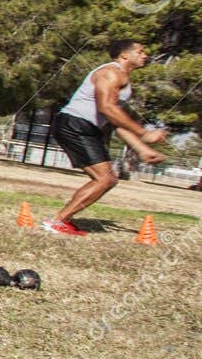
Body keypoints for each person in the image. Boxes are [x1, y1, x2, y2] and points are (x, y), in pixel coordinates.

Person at [44, 40, 167, 235]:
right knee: (106, 179)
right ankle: (57, 221)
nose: (145, 55)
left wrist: (142, 148)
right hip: (75, 123)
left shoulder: (124, 79)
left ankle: (60, 220)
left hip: (83, 126)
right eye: (140, 51)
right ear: (124, 55)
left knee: (104, 179)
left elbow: (116, 121)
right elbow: (106, 108)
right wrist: (144, 133)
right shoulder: (111, 72)